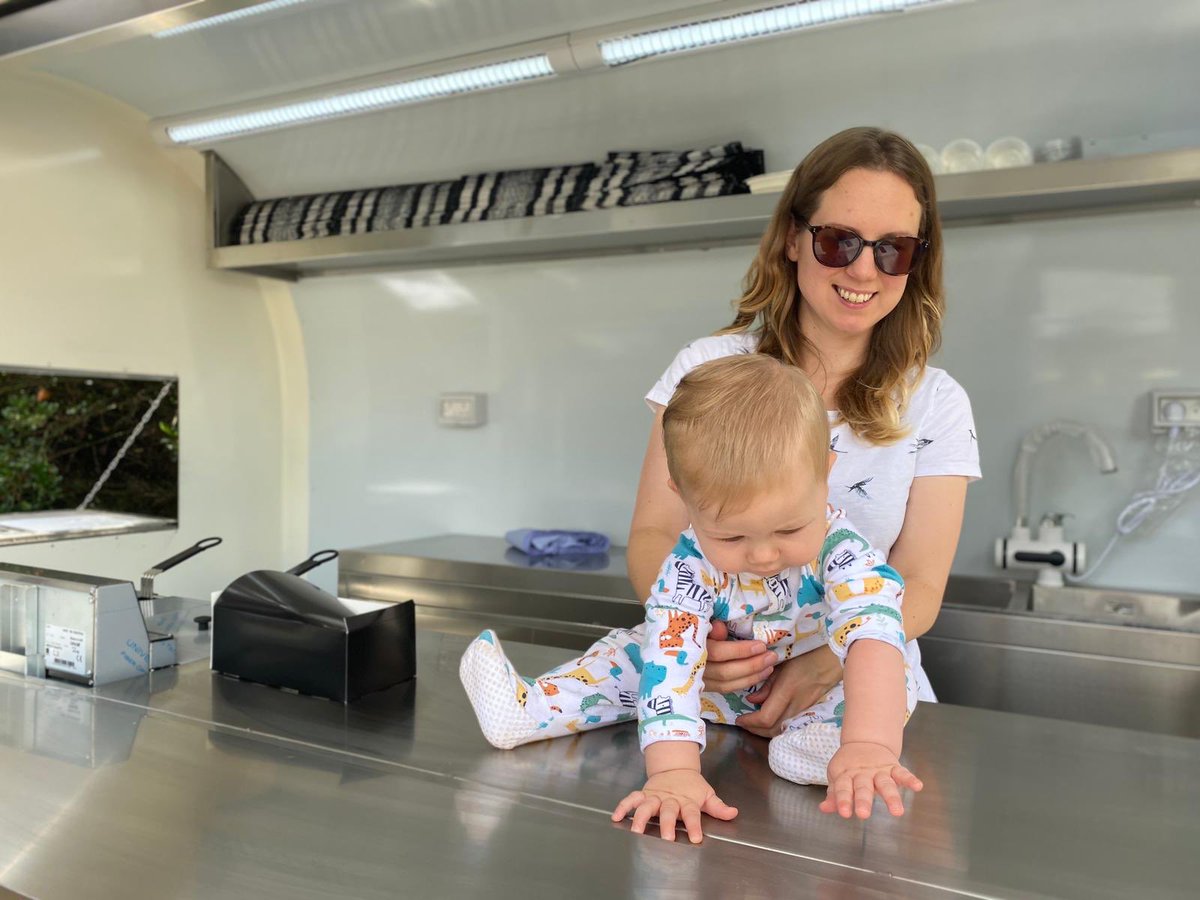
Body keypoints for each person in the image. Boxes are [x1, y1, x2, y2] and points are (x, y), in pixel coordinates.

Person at [460, 354, 924, 843]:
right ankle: (530, 709)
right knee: (628, 654)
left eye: (790, 529)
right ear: (683, 496)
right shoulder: (687, 566)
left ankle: (825, 744)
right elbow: (670, 663)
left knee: (891, 671)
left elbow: (873, 635)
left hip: (806, 690)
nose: (764, 555)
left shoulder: (843, 550)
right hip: (707, 690)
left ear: (826, 474)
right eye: (731, 537)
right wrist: (673, 772)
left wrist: (869, 742)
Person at [629, 126, 980, 735]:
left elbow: (921, 582)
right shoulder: (705, 369)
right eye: (839, 241)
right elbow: (653, 532)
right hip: (707, 697)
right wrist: (694, 640)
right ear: (793, 239)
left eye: (893, 249)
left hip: (865, 706)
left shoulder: (936, 403)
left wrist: (828, 664)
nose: (864, 270)